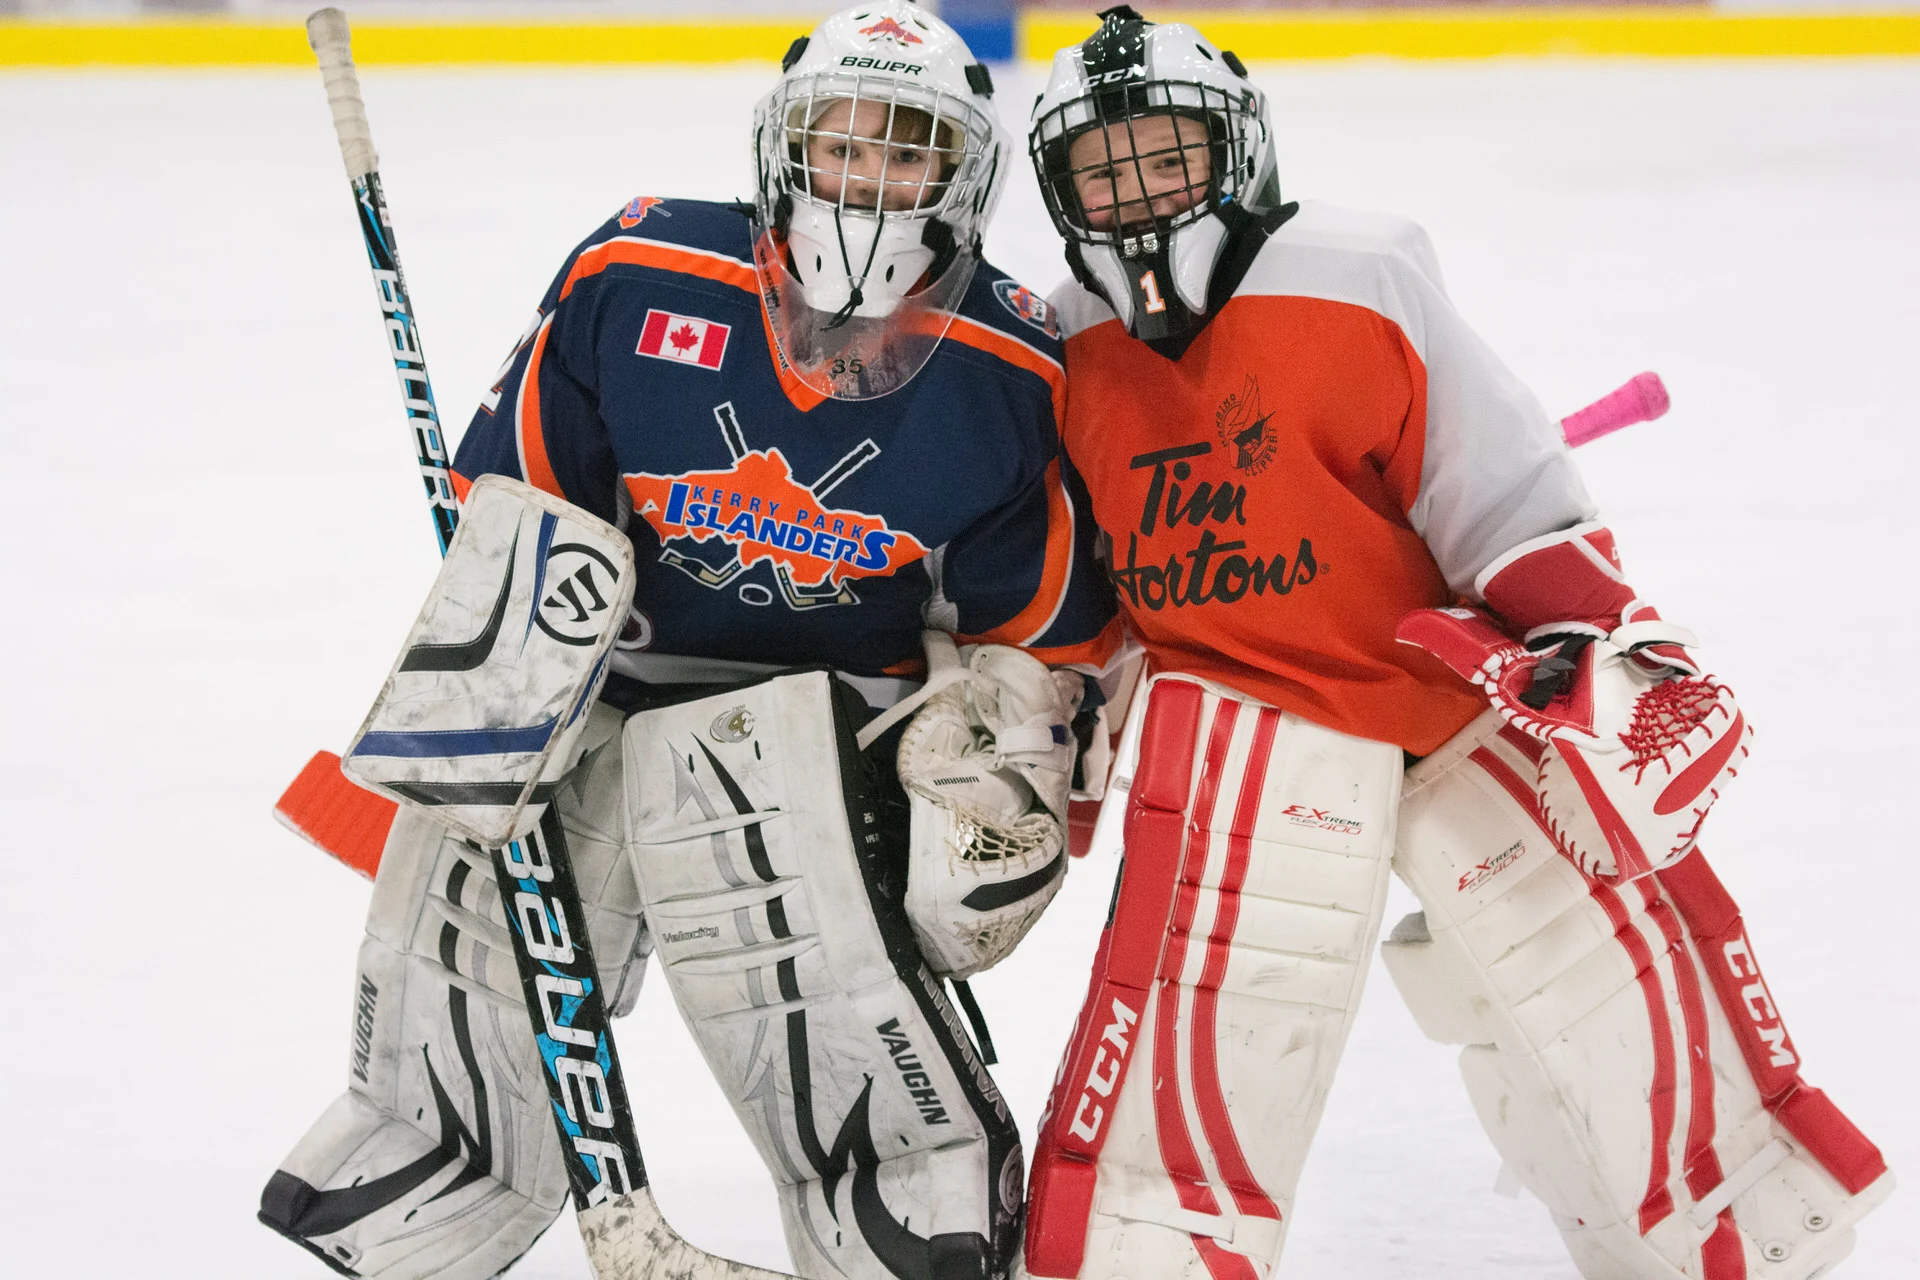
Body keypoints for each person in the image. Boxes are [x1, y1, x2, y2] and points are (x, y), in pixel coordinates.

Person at [1017, 8, 1892, 1280]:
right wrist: (1060, 724)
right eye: (1103, 170)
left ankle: (1732, 1232)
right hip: (1238, 710)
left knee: (1601, 974)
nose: (1139, 193)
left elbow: (1492, 483)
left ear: (1236, 151)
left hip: (1448, 684)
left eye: (1168, 156)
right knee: (1214, 1008)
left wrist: (1595, 636)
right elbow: (1074, 569)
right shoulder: (1062, 339)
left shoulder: (1355, 274)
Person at [257, 6, 1120, 1280]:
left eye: (906, 152)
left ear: (961, 174)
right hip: (608, 681)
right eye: (842, 146)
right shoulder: (641, 271)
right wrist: (498, 688)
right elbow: (521, 511)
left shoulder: (1008, 362)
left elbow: (1036, 626)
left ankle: (899, 1179)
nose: (867, 182)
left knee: (795, 921)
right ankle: (439, 1141)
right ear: (785, 149)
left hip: (834, 726)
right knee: (482, 899)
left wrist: (996, 751)